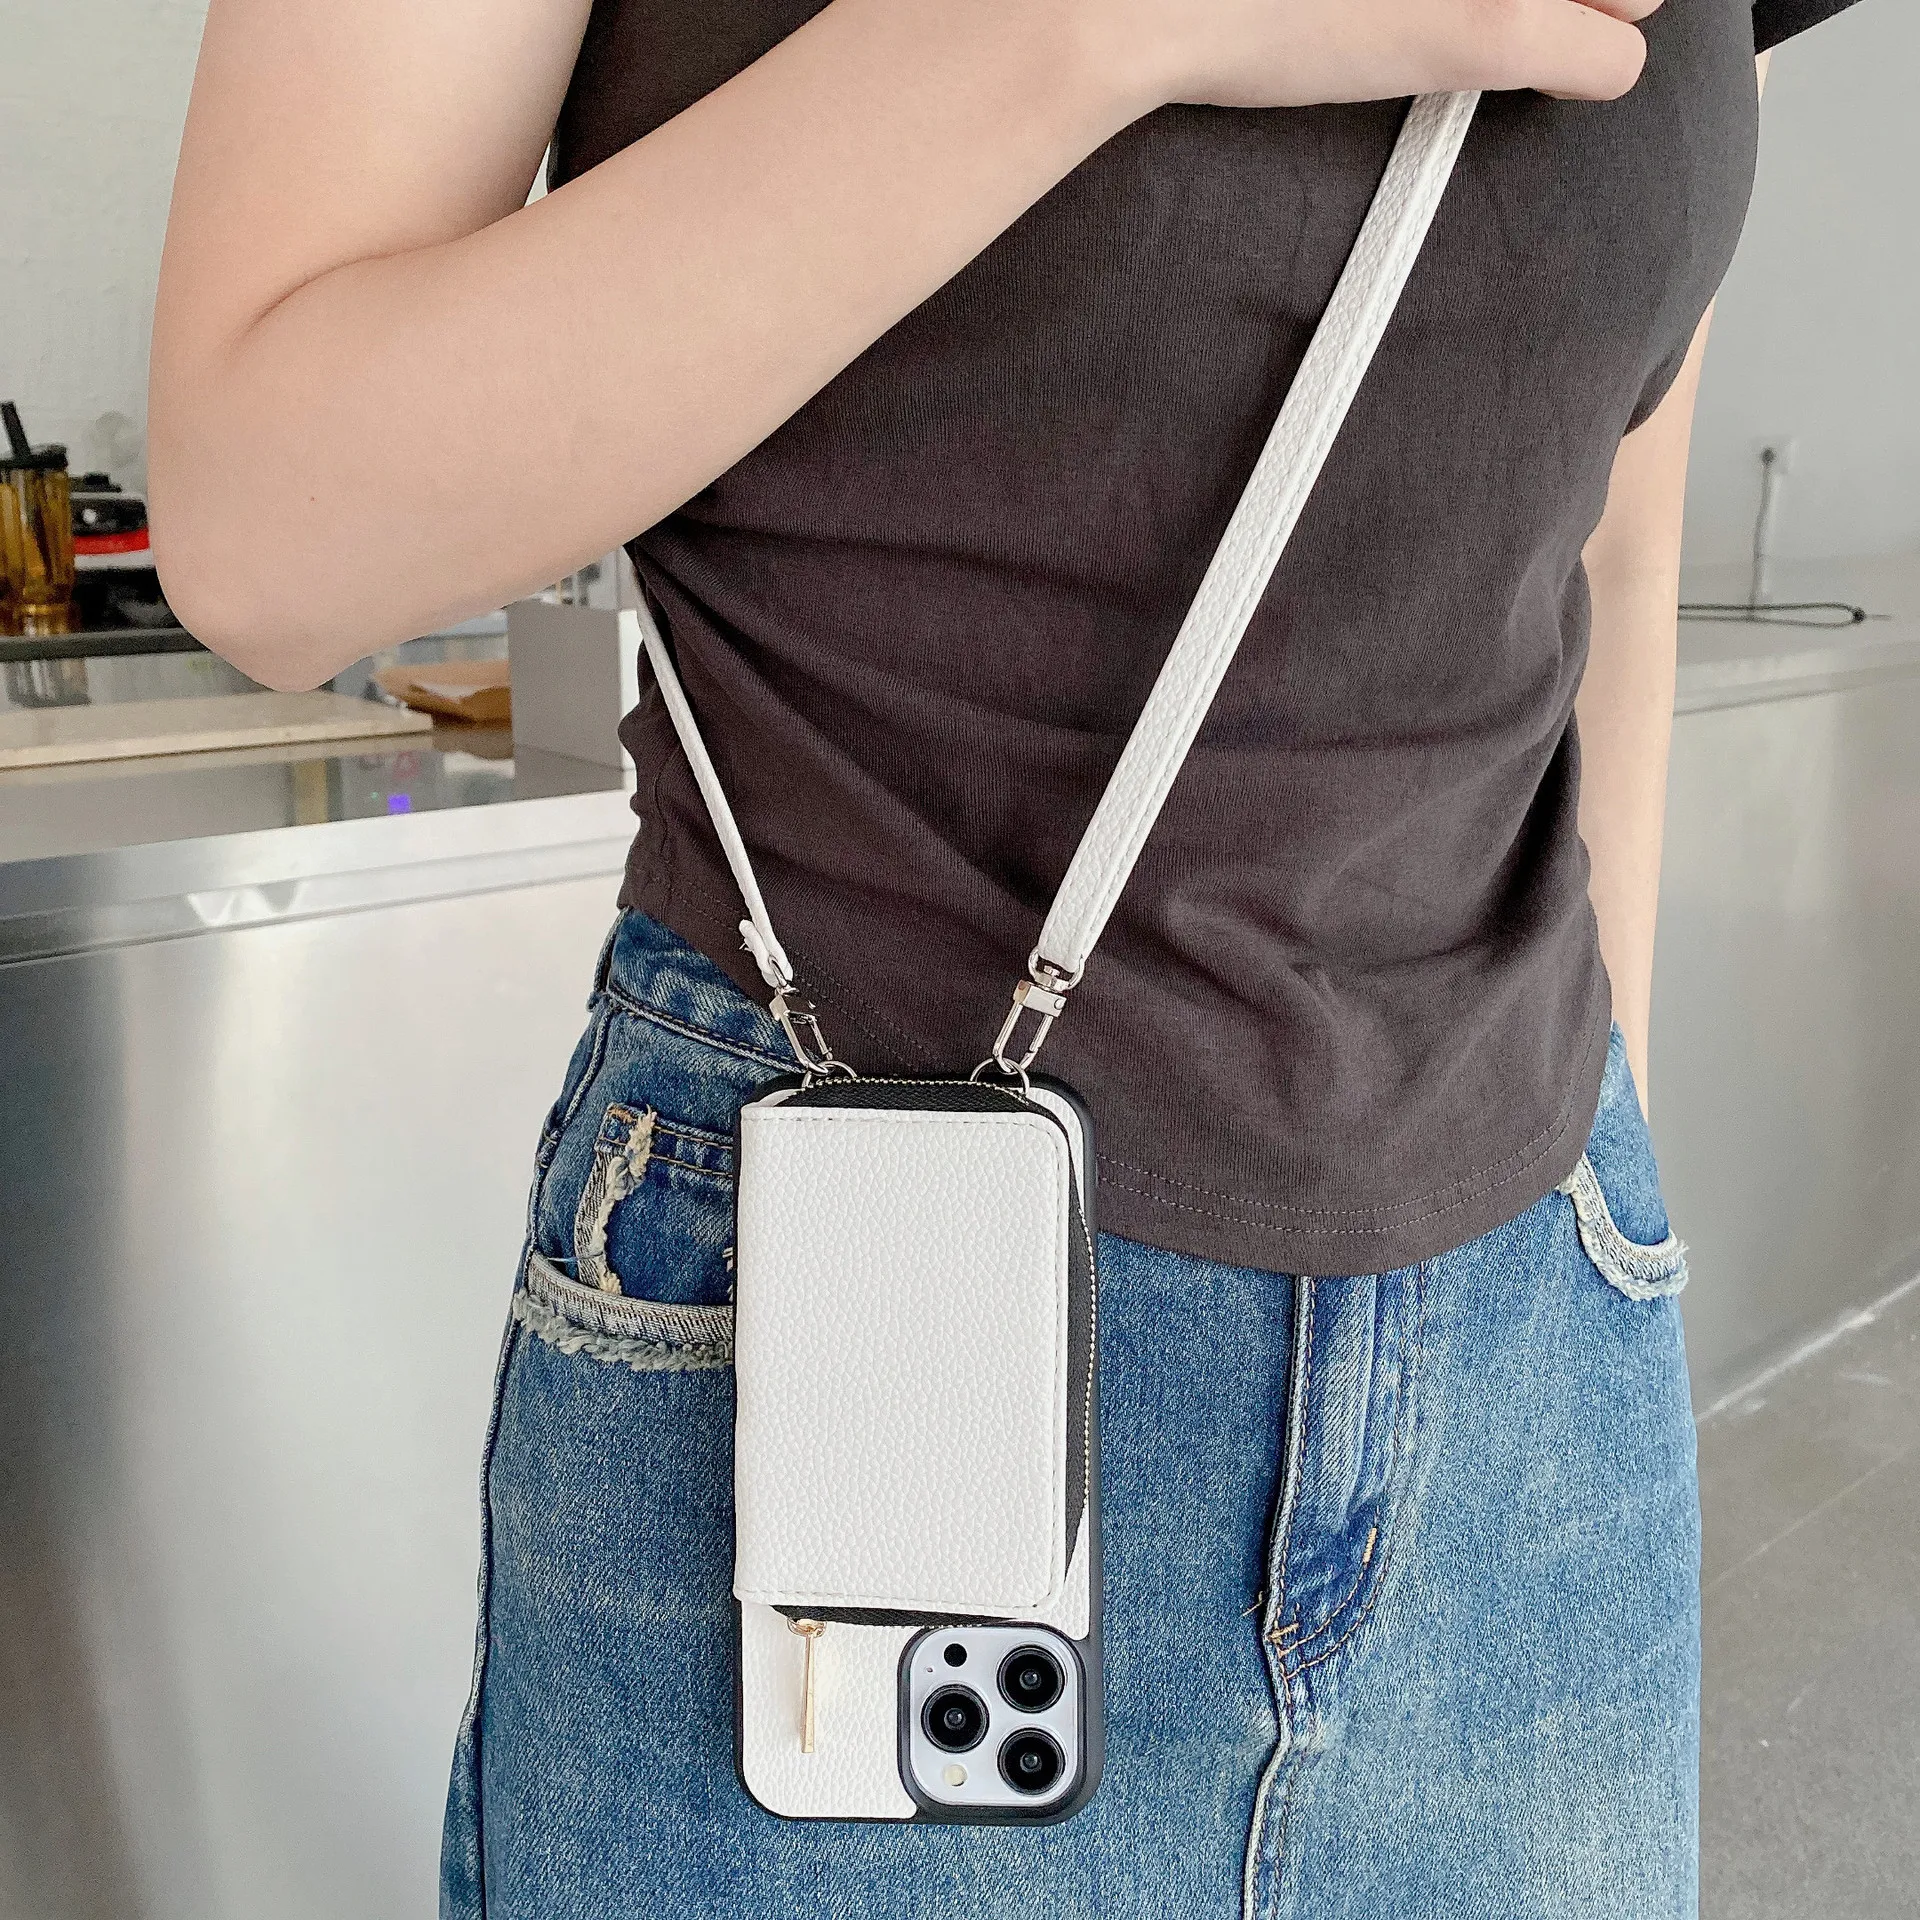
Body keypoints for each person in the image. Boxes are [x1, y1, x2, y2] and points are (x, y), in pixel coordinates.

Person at [149, 0, 1866, 1911]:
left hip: (1532, 1368)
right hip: (850, 1329)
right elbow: (266, 535)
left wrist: (1615, 1197)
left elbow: (1606, 545)